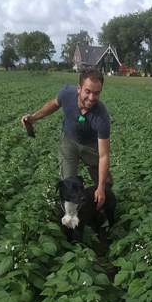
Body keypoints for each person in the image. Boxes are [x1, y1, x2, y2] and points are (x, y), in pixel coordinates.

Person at [21, 68, 113, 209]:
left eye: (97, 93)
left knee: (105, 183)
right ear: (79, 88)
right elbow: (53, 104)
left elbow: (104, 155)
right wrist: (34, 117)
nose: (91, 97)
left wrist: (100, 187)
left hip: (91, 145)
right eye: (87, 91)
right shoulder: (66, 94)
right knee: (68, 183)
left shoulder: (101, 116)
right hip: (69, 140)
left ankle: (102, 209)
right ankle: (70, 218)